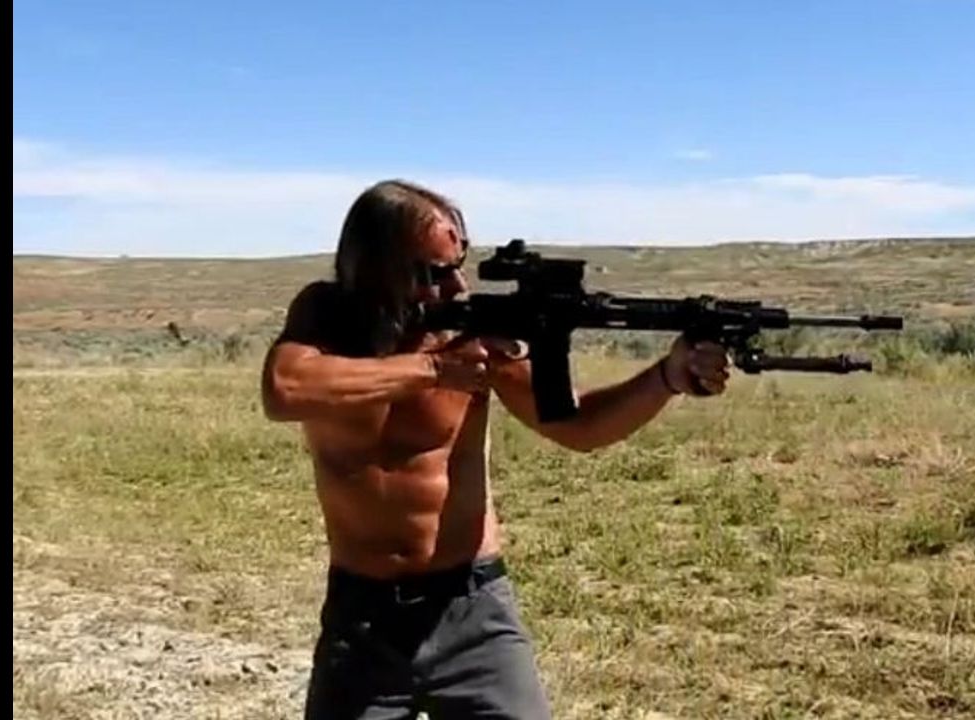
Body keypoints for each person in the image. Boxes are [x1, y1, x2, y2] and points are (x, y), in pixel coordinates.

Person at [260, 179, 732, 719]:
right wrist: (434, 370)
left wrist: (666, 377)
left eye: (458, 265)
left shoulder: (473, 336)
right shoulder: (326, 317)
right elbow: (285, 389)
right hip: (362, 618)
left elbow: (577, 427)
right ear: (377, 269)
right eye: (434, 273)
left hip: (472, 609)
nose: (457, 285)